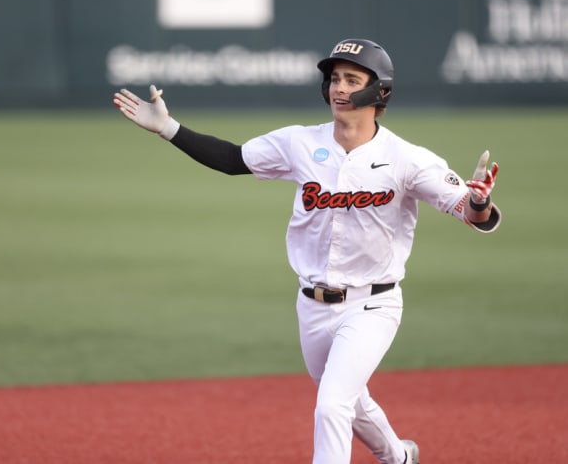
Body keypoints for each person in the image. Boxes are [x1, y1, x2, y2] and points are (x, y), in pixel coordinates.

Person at [113, 38, 501, 464]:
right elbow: (232, 159)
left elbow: (471, 211)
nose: (339, 87)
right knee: (348, 402)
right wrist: (170, 129)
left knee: (331, 405)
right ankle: (399, 457)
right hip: (312, 307)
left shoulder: (406, 159)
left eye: (352, 79)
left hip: (373, 305)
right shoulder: (299, 144)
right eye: (334, 78)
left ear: (380, 92)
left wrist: (478, 202)